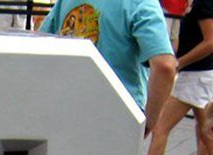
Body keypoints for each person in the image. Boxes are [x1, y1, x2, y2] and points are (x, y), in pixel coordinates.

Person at [40, 0, 176, 142]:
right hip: (118, 115)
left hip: (66, 107)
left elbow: (39, 42)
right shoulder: (139, 3)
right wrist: (149, 123)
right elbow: (164, 66)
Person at [137, 0, 213, 155]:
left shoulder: (203, 4)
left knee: (161, 127)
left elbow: (210, 41)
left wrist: (180, 62)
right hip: (197, 74)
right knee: (207, 133)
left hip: (199, 75)